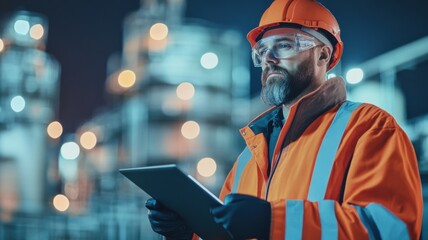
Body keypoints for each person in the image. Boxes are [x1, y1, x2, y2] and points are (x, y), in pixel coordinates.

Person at [145, 0, 423, 239]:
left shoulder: (370, 129)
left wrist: (274, 221)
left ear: (323, 55)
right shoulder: (250, 156)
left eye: (284, 46)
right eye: (263, 51)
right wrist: (189, 233)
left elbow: (389, 230)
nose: (269, 59)